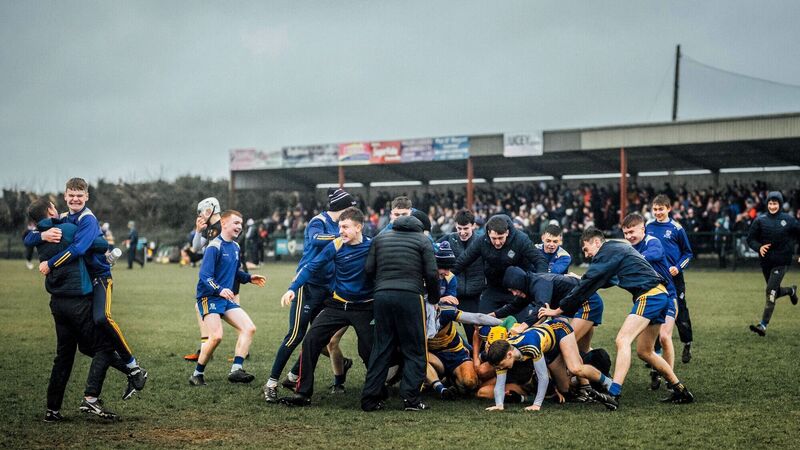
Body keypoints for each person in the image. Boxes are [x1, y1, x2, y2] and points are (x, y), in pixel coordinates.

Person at [538, 227, 694, 410]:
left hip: (650, 295)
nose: (587, 255)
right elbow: (606, 280)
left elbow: (590, 282)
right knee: (645, 351)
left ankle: (614, 393)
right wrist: (583, 279)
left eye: (587, 249)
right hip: (660, 294)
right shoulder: (616, 249)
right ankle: (680, 389)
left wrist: (558, 310)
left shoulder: (607, 251)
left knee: (622, 339)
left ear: (596, 242)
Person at [28, 178, 148, 398]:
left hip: (100, 277)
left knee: (102, 318)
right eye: (71, 195)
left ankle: (132, 365)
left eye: (79, 195)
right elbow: (28, 237)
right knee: (87, 345)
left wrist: (50, 264)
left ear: (87, 197)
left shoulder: (87, 219)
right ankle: (95, 395)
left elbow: (79, 248)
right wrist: (41, 235)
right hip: (83, 283)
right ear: (65, 196)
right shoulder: (64, 216)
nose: (75, 199)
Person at [263, 188, 355, 402]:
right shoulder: (319, 221)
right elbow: (315, 240)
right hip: (307, 286)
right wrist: (341, 235)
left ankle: (295, 374)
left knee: (320, 337)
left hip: (327, 289)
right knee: (295, 335)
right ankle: (271, 383)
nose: (353, 212)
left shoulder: (342, 225)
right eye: (351, 207)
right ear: (343, 207)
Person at [278, 207, 374, 407]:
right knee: (311, 340)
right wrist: (292, 288)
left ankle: (375, 394)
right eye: (339, 226)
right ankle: (302, 394)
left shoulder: (373, 247)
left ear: (358, 227)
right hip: (338, 304)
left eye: (345, 227)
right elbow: (312, 266)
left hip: (364, 307)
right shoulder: (336, 245)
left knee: (368, 350)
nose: (341, 231)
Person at [361, 214, 440, 412]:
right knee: (415, 349)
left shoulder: (380, 238)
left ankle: (370, 399)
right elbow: (431, 273)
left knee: (381, 348)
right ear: (419, 228)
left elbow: (369, 268)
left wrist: (381, 286)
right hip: (411, 297)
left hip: (382, 296)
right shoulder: (423, 240)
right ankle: (411, 400)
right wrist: (434, 298)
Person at [189, 210, 266, 386]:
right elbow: (205, 276)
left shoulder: (236, 247)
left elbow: (234, 271)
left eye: (241, 223)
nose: (239, 226)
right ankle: (197, 374)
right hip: (209, 297)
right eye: (236, 223)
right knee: (216, 336)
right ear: (224, 224)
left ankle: (236, 370)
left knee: (249, 328)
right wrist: (220, 289)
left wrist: (248, 278)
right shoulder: (214, 247)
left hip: (225, 298)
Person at [425, 241, 502, 399]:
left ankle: (452, 377)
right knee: (416, 357)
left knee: (470, 383)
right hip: (432, 353)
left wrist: (504, 323)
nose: (447, 272)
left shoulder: (445, 310)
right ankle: (441, 388)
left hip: (452, 350)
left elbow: (475, 317)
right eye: (443, 268)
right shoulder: (416, 313)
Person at [484, 318, 611, 412]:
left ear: (510, 355)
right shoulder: (503, 352)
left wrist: (536, 405)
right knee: (565, 389)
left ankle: (609, 383)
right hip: (548, 347)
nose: (500, 368)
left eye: (500, 365)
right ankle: (584, 386)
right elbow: (500, 383)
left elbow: (543, 377)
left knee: (575, 368)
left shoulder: (531, 347)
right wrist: (499, 404)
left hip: (559, 329)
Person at [622, 213, 679, 390]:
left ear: (643, 229)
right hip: (648, 299)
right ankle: (658, 372)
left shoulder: (652, 242)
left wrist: (629, 261)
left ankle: (672, 383)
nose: (629, 236)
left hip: (668, 296)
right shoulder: (630, 248)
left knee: (664, 336)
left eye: (632, 231)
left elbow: (653, 255)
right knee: (645, 349)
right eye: (625, 233)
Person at [451, 214, 548, 314]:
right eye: (494, 238)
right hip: (494, 288)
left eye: (500, 238)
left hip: (518, 290)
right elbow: (463, 260)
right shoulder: (482, 242)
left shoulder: (521, 240)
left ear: (507, 232)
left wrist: (540, 284)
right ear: (488, 233)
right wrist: (446, 276)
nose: (497, 242)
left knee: (520, 325)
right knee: (482, 321)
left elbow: (540, 260)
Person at [498, 267, 604, 356]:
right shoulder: (529, 285)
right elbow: (514, 306)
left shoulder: (539, 282)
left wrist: (522, 327)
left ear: (519, 283)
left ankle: (590, 379)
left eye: (513, 290)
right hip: (588, 302)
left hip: (589, 302)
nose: (514, 294)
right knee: (582, 350)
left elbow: (542, 307)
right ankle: (595, 374)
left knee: (565, 345)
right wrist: (490, 315)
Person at [647, 195, 694, 363]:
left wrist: (678, 267)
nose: (658, 212)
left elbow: (688, 253)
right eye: (655, 209)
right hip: (656, 278)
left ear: (668, 209)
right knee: (657, 311)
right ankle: (656, 354)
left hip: (675, 277)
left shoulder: (676, 228)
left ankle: (687, 343)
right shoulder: (648, 227)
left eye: (661, 209)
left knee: (680, 311)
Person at [747, 191, 799, 336]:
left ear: (780, 204)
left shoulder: (789, 220)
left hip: (782, 261)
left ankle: (763, 325)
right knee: (774, 292)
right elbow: (750, 239)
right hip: (766, 263)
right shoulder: (760, 220)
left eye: (775, 203)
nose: (772, 206)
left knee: (770, 291)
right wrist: (759, 247)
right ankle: (790, 290)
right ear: (767, 204)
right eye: (770, 203)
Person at [436, 209, 486, 338]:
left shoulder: (481, 241)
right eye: (459, 228)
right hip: (453, 295)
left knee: (473, 332)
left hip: (474, 294)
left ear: (473, 226)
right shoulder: (448, 239)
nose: (462, 232)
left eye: (466, 228)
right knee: (443, 332)